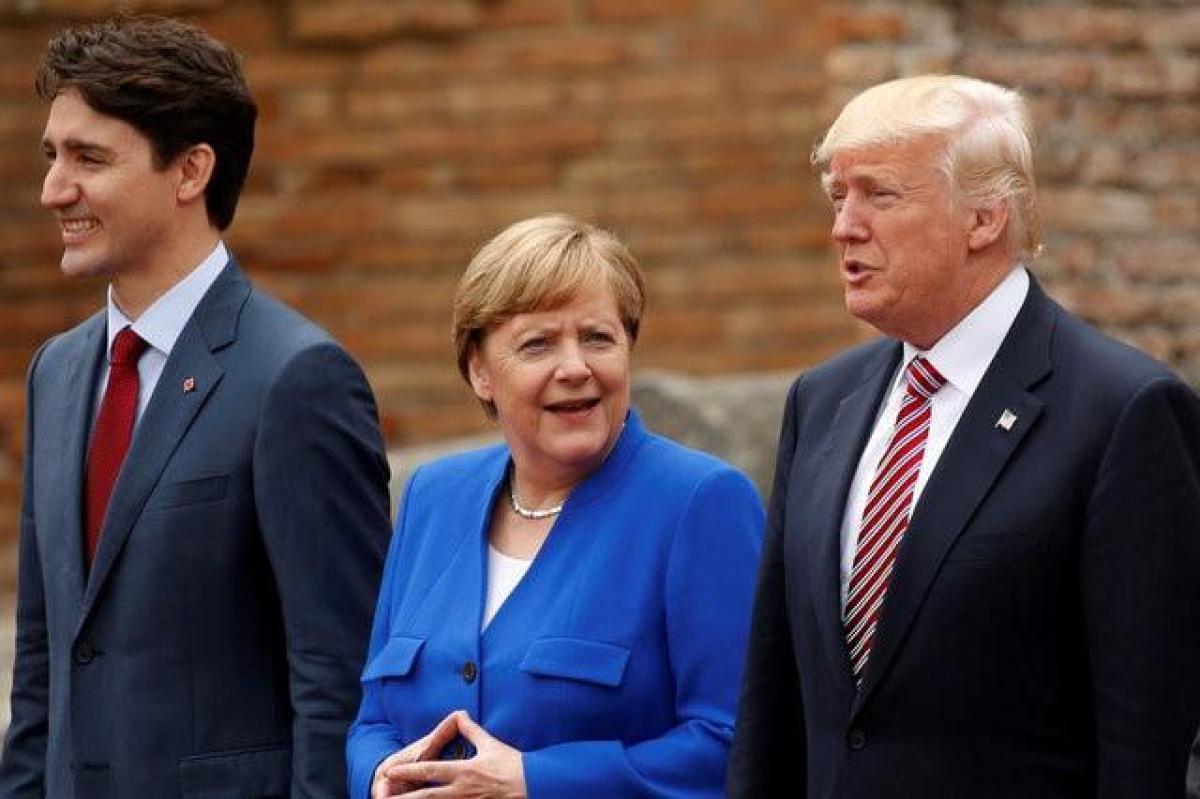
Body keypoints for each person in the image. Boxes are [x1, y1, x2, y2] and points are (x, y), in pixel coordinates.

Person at [727, 74, 1200, 797]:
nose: (843, 227)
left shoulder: (1123, 411)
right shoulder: (822, 402)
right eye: (838, 196)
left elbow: (1147, 738)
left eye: (880, 195)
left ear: (985, 217)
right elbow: (773, 699)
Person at [0, 16, 392, 798]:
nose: (53, 190)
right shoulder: (58, 371)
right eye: (52, 157)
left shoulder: (298, 378)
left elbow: (340, 680)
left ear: (190, 172)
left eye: (89, 159)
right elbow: (42, 661)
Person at [346, 213, 764, 798]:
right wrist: (381, 778)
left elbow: (738, 745)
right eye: (538, 343)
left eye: (598, 337)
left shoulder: (699, 503)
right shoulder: (432, 496)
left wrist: (534, 781)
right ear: (480, 371)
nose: (575, 368)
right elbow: (372, 720)